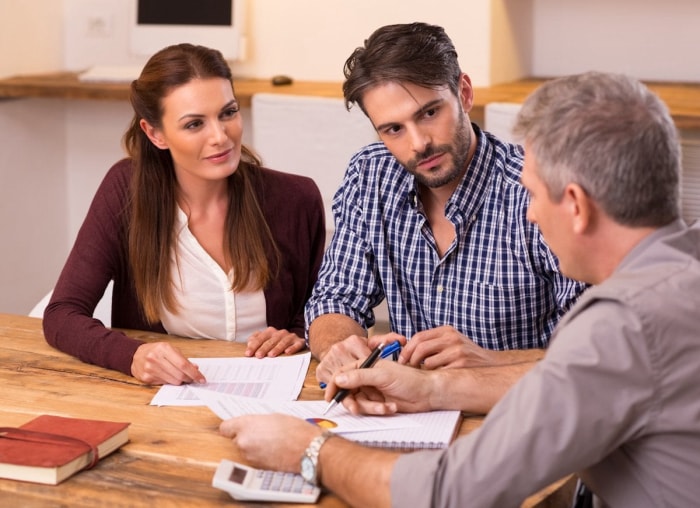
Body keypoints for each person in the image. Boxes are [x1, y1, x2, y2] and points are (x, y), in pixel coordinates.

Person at [220, 71, 700, 507]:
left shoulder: (623, 323)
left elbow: (451, 493)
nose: (530, 212)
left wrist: (310, 449)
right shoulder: (680, 272)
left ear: (574, 204)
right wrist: (429, 389)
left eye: (533, 194)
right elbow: (574, 385)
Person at [306, 22, 586, 404]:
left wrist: (490, 361)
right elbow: (334, 299)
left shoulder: (535, 190)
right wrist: (342, 349)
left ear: (464, 93)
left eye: (429, 113)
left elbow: (597, 356)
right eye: (393, 129)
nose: (419, 143)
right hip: (409, 414)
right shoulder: (369, 175)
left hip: (519, 415)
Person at [43, 44, 325, 385]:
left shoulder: (296, 199)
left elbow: (318, 309)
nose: (220, 137)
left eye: (228, 113)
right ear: (155, 133)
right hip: (167, 401)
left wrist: (299, 333)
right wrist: (132, 355)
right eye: (194, 124)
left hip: (275, 394)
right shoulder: (126, 191)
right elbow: (62, 315)